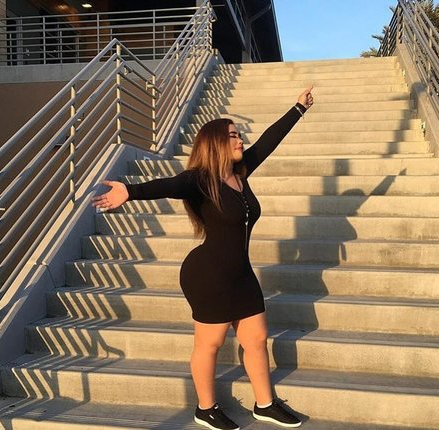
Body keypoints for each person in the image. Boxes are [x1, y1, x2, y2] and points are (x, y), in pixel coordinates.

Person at [92, 86, 314, 430]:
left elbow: (268, 142)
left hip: (240, 273)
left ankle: (265, 404)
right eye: (233, 136)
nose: (240, 140)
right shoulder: (200, 179)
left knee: (256, 338)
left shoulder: (240, 174)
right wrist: (131, 192)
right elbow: (170, 185)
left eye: (238, 135)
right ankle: (206, 408)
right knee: (210, 343)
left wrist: (298, 108)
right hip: (208, 275)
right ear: (215, 143)